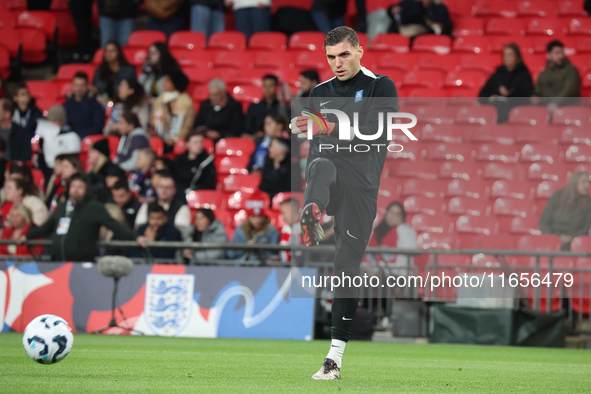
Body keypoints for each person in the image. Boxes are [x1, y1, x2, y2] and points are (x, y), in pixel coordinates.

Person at [290, 26, 398, 379]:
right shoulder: (319, 92)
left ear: (359, 51)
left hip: (362, 186)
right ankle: (313, 211)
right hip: (332, 175)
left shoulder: (381, 86)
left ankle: (333, 359)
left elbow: (375, 132)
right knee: (319, 162)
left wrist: (324, 125)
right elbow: (318, 146)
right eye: (331, 57)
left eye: (344, 55)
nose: (337, 63)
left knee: (346, 266)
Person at [22, 174, 148, 261]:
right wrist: (28, 236)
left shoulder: (94, 207)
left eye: (80, 187)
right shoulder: (63, 206)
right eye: (73, 187)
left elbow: (114, 225)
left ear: (87, 189)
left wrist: (135, 237)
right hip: (58, 262)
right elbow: (48, 226)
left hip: (81, 264)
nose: (75, 190)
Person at [479, 44, 535, 123]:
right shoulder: (496, 75)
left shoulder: (524, 76)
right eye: (505, 55)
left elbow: (526, 98)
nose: (507, 58)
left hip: (514, 110)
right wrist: (491, 98)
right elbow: (482, 96)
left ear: (517, 57)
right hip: (494, 108)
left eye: (510, 55)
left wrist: (509, 95)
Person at [540, 171, 591, 250]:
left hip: (574, 244)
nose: (587, 185)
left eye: (588, 182)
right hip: (552, 240)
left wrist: (571, 238)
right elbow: (544, 221)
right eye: (583, 182)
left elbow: (585, 229)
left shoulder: (588, 203)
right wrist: (554, 238)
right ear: (575, 182)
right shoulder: (558, 196)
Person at [149, 69, 195, 151]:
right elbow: (153, 118)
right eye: (164, 79)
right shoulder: (160, 99)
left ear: (175, 82)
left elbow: (187, 125)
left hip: (176, 141)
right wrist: (152, 130)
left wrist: (175, 139)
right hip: (159, 137)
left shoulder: (185, 101)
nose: (164, 82)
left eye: (167, 80)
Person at [366, 201, 417, 269]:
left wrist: (401, 226)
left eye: (397, 214)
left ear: (402, 217)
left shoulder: (403, 229)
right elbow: (370, 255)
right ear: (386, 213)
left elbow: (410, 248)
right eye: (391, 212)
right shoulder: (378, 230)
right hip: (374, 270)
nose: (393, 216)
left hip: (394, 274)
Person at [36, 105, 82, 180]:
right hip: (49, 172)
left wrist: (61, 168)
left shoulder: (72, 136)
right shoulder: (45, 138)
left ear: (62, 122)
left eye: (53, 121)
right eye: (49, 121)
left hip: (65, 175)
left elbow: (73, 160)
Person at [533, 40, 581, 111]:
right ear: (548, 55)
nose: (561, 56)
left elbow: (568, 91)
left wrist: (555, 104)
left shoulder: (572, 71)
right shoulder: (543, 74)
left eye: (562, 52)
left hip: (567, 110)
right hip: (546, 110)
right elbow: (538, 92)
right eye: (557, 53)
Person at [62, 72, 106, 139]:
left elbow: (97, 127)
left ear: (87, 86)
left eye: (82, 85)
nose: (79, 88)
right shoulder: (66, 105)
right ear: (72, 85)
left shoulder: (95, 106)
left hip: (87, 140)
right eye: (76, 85)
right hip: (69, 140)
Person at [258, 137, 291, 202]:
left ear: (280, 150)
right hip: (264, 200)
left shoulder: (290, 169)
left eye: (271, 146)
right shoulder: (268, 165)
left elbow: (287, 190)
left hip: (281, 202)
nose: (269, 149)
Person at [278, 197, 301, 262]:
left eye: (283, 212)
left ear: (292, 210)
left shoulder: (305, 229)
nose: (282, 217)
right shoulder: (285, 229)